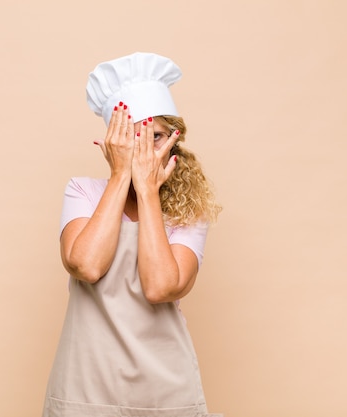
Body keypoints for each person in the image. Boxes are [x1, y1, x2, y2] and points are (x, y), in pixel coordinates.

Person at [43, 52, 223, 417]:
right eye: (132, 139)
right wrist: (120, 175)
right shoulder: (82, 191)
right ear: (111, 145)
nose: (144, 151)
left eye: (154, 137)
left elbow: (160, 287)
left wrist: (147, 191)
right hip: (85, 383)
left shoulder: (188, 211)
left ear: (174, 141)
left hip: (166, 386)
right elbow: (86, 265)